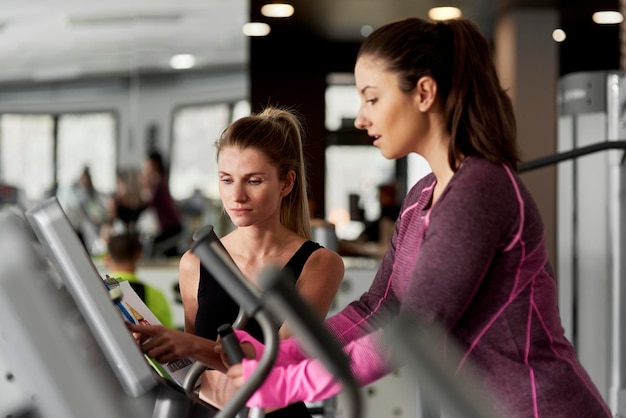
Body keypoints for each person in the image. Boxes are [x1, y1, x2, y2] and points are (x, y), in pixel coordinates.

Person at [223, 18, 612, 418]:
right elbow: (380, 307)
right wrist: (281, 353)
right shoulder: (422, 196)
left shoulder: (480, 189)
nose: (360, 118)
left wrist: (286, 384)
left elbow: (417, 329)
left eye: (372, 99)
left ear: (424, 92)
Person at [127, 107, 345, 417]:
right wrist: (157, 348)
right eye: (226, 180)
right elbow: (195, 370)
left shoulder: (320, 264)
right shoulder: (195, 263)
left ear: (286, 183)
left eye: (253, 181)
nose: (237, 196)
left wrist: (186, 344)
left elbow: (279, 361)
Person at [103, 231, 174, 329]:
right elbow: (170, 333)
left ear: (106, 259)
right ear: (139, 255)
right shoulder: (157, 296)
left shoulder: (99, 291)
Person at [140, 150, 184, 258]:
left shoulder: (156, 181)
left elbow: (148, 201)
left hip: (171, 226)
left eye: (147, 164)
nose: (145, 167)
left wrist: (145, 184)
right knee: (169, 252)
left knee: (154, 248)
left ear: (154, 164)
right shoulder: (158, 181)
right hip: (170, 226)